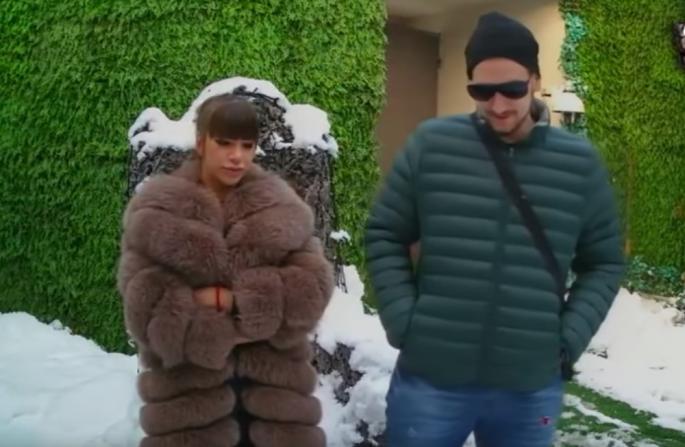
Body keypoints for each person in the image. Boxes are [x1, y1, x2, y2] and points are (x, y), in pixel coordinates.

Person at [365, 11, 624, 447]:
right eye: (482, 91)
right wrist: (404, 322)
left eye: (512, 89)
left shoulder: (578, 164)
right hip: (431, 378)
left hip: (528, 388)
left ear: (536, 80)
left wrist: (567, 341)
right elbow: (385, 233)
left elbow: (604, 262)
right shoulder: (432, 145)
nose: (498, 105)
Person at [117, 93, 333, 447]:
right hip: (187, 409)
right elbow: (144, 308)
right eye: (225, 143)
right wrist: (254, 325)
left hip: (280, 408)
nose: (237, 156)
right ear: (202, 142)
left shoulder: (282, 208)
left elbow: (313, 289)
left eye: (247, 145)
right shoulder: (157, 214)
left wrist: (231, 301)